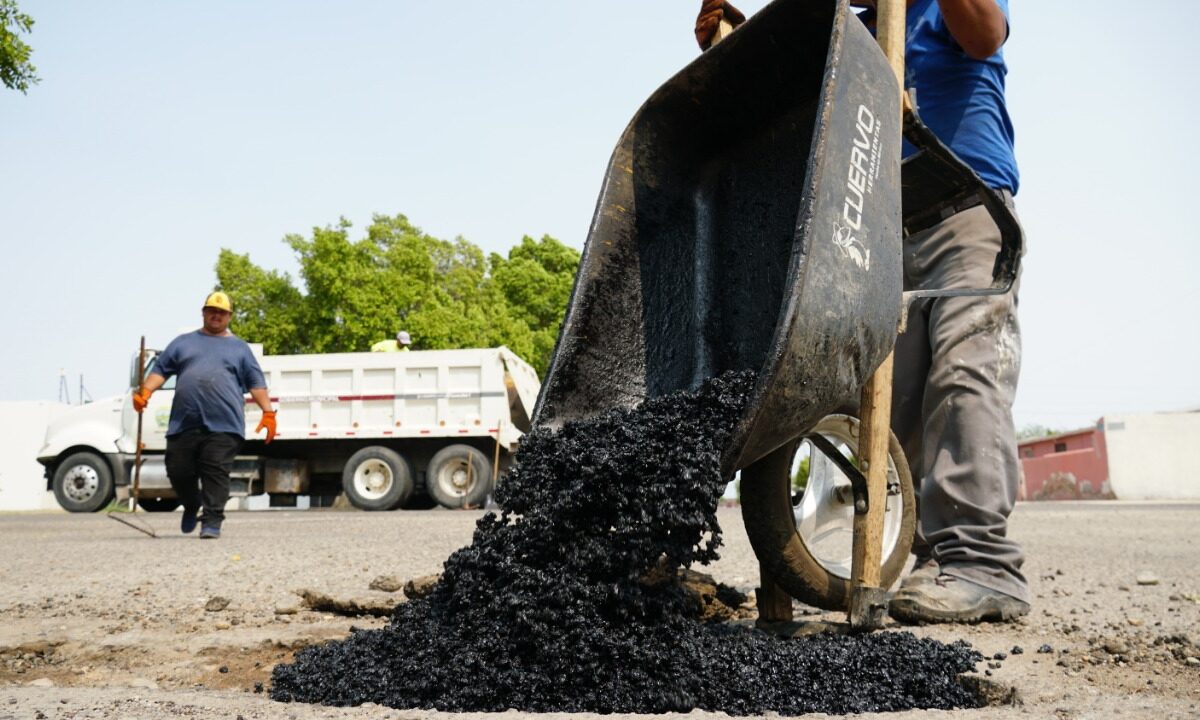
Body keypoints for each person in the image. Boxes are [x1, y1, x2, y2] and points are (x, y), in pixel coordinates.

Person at [695, 0, 1029, 623]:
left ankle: (983, 566)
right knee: (887, 408)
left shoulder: (928, 11)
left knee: (964, 380)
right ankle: (914, 563)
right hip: (873, 226)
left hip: (963, 201)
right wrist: (737, 49)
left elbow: (983, 35)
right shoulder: (849, 33)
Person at [132, 291, 276, 539]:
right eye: (212, 310)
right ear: (203, 312)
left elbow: (256, 383)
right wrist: (145, 392)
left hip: (225, 424)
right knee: (178, 470)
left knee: (215, 471)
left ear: (229, 316)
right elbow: (161, 370)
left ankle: (212, 521)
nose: (216, 315)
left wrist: (268, 413)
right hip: (184, 422)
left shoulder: (240, 349)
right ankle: (191, 504)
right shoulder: (182, 343)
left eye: (222, 312)